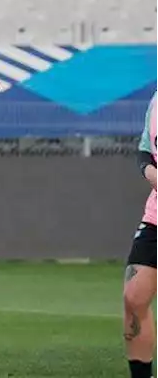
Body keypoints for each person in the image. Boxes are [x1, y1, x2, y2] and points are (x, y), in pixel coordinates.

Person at [126, 90, 158, 378]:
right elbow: (144, 150)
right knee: (134, 297)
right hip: (156, 218)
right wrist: (150, 172)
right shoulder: (156, 99)